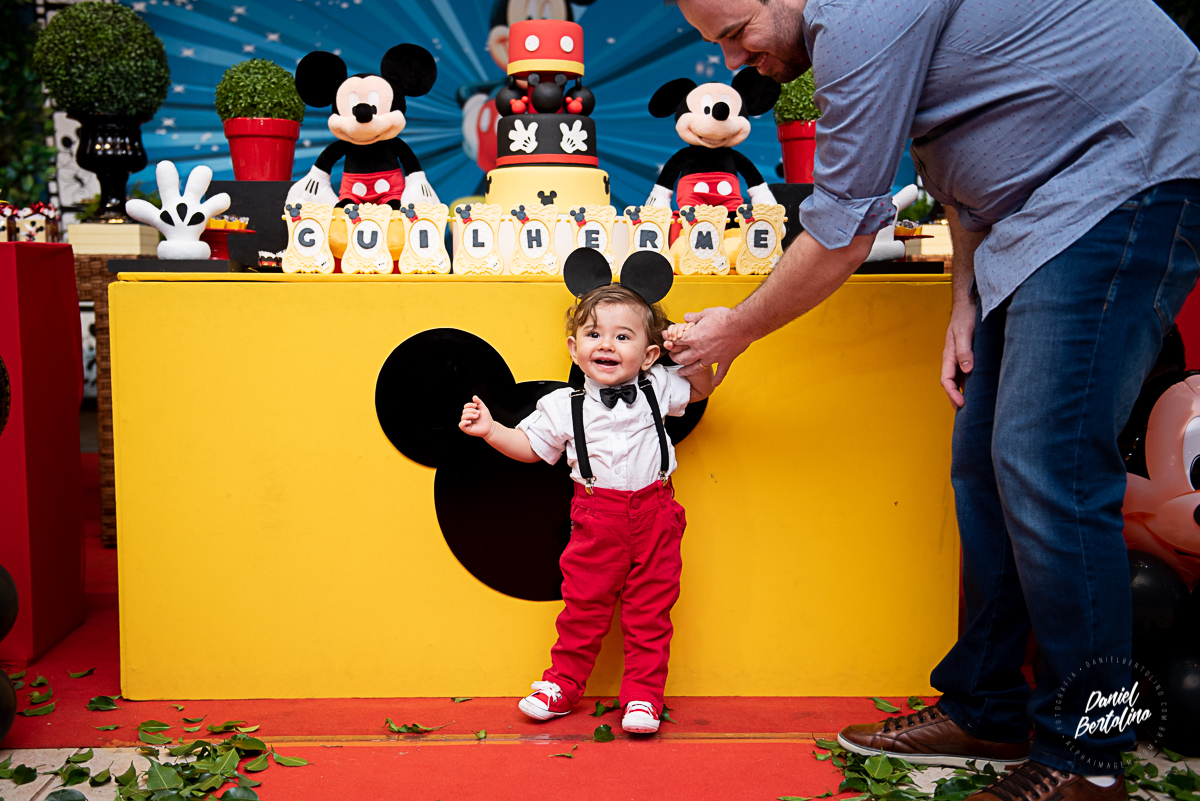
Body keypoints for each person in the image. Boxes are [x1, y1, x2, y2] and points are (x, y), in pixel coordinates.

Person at [664, 0, 1200, 795]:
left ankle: (1085, 759)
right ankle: (986, 705)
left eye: (737, 33)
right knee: (985, 460)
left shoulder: (857, 16)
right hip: (1042, 217)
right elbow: (972, 163)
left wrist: (736, 329)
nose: (737, 61)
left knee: (1048, 465)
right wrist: (965, 298)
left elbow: (843, 228)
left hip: (1128, 178)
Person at [459, 266, 715, 734]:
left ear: (649, 354)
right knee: (583, 607)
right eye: (594, 334)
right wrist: (492, 430)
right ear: (574, 348)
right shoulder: (561, 406)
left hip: (656, 515)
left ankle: (643, 696)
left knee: (650, 612)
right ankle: (562, 685)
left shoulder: (659, 385)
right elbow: (531, 448)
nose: (606, 345)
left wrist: (688, 351)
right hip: (597, 519)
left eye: (623, 336)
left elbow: (701, 388)